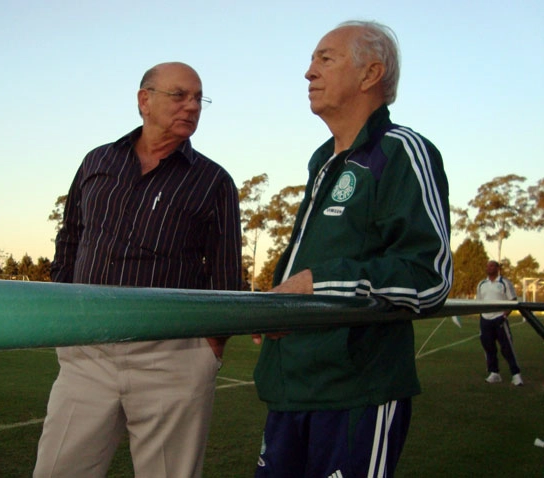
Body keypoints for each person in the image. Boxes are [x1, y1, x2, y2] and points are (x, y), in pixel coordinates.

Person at [252, 21, 453, 477]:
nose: (308, 72)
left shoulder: (401, 151)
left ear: (370, 74)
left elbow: (430, 278)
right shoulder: (322, 161)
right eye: (311, 60)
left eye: (325, 58)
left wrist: (316, 286)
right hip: (292, 388)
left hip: (356, 392)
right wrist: (279, 303)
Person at [33, 62, 242, 477]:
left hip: (170, 355)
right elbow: (70, 238)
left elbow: (226, 275)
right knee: (58, 469)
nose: (192, 106)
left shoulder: (214, 181)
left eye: (199, 98)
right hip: (86, 350)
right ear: (144, 100)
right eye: (179, 95)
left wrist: (206, 353)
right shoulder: (98, 161)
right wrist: (66, 308)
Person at [476, 260, 523, 386]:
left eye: (491, 265)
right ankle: (494, 372)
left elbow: (512, 300)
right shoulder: (482, 284)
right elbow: (479, 301)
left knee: (507, 347)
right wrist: (481, 316)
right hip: (485, 320)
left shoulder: (504, 283)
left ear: (497, 268)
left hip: (499, 319)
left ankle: (516, 374)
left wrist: (504, 315)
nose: (489, 267)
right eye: (487, 266)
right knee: (488, 347)